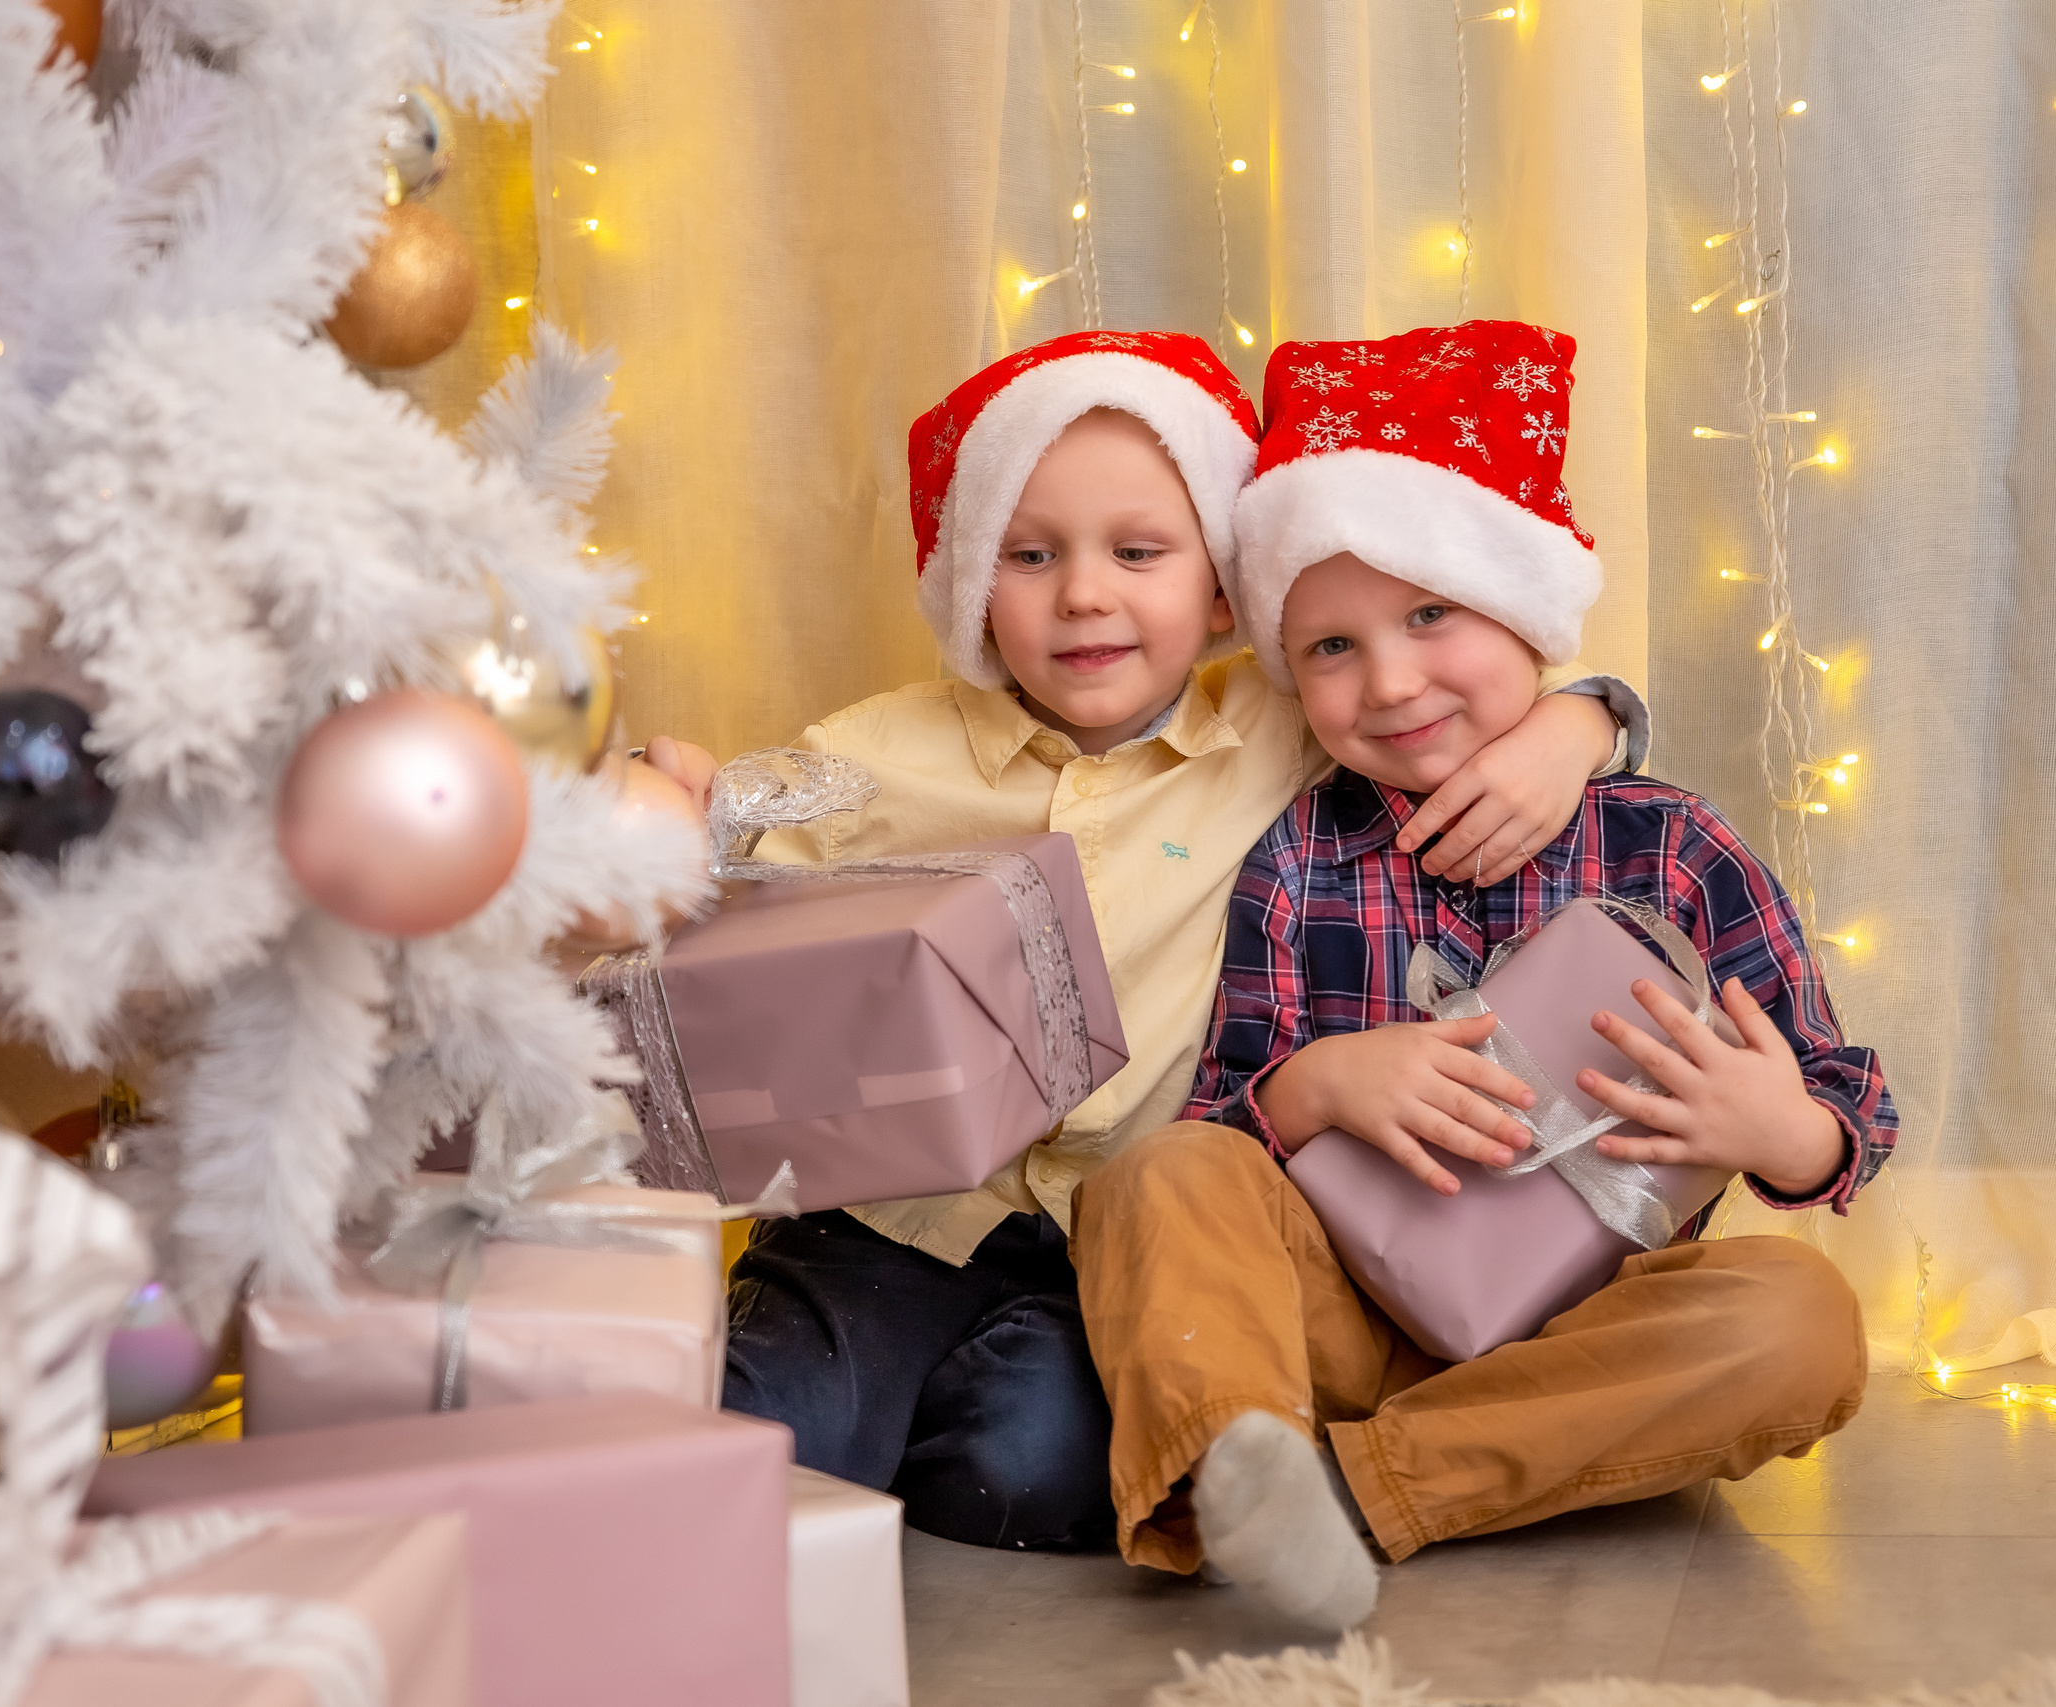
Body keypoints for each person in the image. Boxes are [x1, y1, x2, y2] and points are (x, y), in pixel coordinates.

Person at [651, 330, 1646, 1552]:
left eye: (1138, 552)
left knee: (1035, 1481)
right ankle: (834, 1392)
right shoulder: (874, 754)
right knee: (768, 1437)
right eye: (1028, 557)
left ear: (1223, 591)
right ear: (973, 587)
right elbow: (730, 874)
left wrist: (1580, 724)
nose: (1083, 594)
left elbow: (1467, 673)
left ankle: (947, 1419)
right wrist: (675, 814)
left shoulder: (1281, 728)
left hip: (1104, 1247)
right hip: (890, 1223)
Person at [1070, 322, 1896, 1627]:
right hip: (1336, 1310)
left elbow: (1849, 1115)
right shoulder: (1302, 849)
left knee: (1801, 1322)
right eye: (1330, 646)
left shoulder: (1671, 845)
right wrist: (1323, 1083)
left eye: (1430, 612)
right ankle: (1239, 1448)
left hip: (1594, 1333)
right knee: (1153, 1176)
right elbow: (1224, 1131)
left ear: (1522, 606)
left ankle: (1346, 1494)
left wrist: (1776, 1127)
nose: (1389, 681)